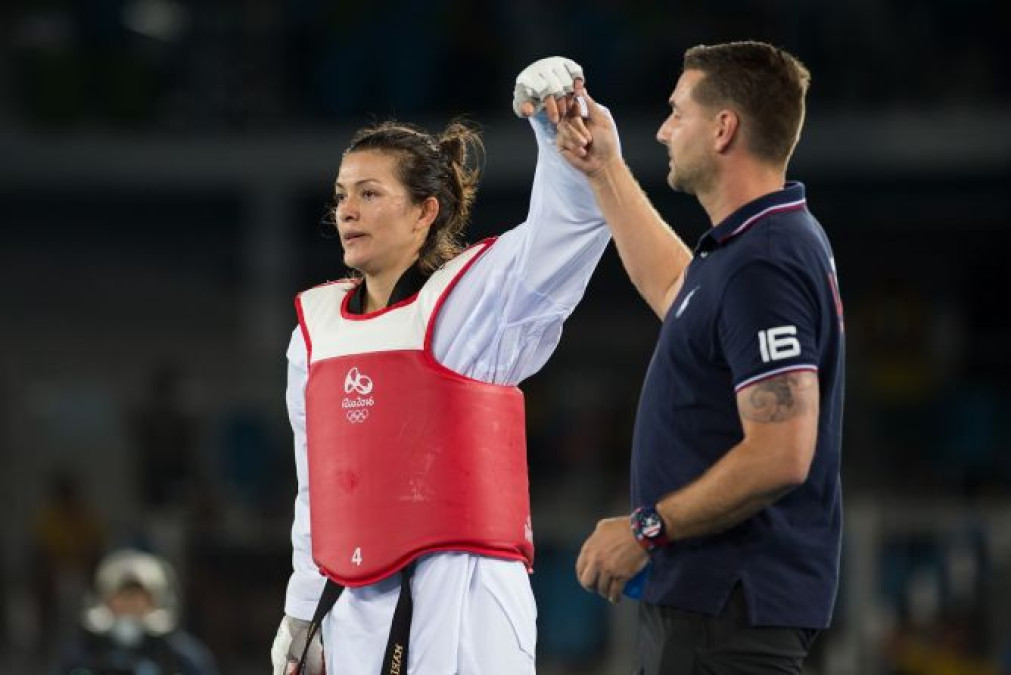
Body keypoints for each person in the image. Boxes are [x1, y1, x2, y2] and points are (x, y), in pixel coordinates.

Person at [270, 57, 613, 674]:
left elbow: (568, 231)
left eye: (370, 194)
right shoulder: (313, 335)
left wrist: (555, 130)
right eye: (342, 194)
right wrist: (302, 612)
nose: (347, 210)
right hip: (352, 599)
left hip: (464, 594)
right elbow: (315, 489)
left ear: (425, 211)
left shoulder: (465, 305)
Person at [528, 42, 845, 673]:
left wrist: (647, 528)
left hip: (730, 609)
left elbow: (781, 452)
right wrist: (605, 170)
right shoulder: (749, 246)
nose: (664, 129)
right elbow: (676, 292)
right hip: (713, 609)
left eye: (678, 112)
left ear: (724, 128)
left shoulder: (766, 261)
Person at [54, 548, 218, 675]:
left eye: (138, 598)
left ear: (156, 601)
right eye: (122, 597)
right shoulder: (81, 654)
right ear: (105, 600)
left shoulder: (182, 654)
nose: (129, 605)